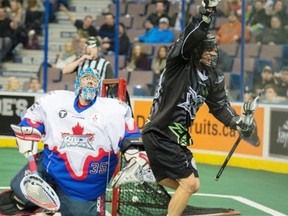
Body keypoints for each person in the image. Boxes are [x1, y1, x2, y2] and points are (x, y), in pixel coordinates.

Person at [140, 1, 254, 215]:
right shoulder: (179, 62)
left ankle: (145, 172)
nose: (212, 54)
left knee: (194, 185)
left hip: (176, 136)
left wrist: (237, 122)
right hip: (160, 131)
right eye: (207, 50)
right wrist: (206, 13)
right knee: (189, 184)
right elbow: (190, 37)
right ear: (195, 51)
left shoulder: (213, 76)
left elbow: (220, 106)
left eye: (214, 50)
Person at [0, 67, 154, 215]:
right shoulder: (55, 100)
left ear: (98, 85)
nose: (89, 82)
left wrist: (135, 156)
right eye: (86, 79)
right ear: (77, 82)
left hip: (83, 188)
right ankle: (34, 205)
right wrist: (28, 132)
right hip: (49, 170)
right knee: (18, 196)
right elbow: (34, 119)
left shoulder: (114, 110)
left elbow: (130, 135)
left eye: (93, 80)